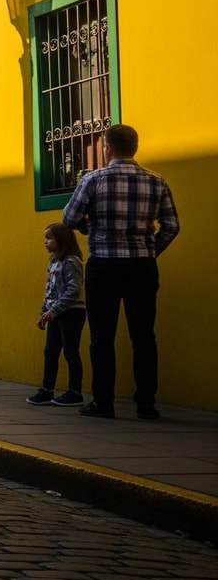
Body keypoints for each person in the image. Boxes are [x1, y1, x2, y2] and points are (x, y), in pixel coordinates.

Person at [61, 123, 179, 420]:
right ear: (135, 148)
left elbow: (69, 217)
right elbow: (172, 226)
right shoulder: (157, 181)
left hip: (104, 263)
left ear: (107, 148)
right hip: (142, 266)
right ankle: (146, 404)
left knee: (102, 336)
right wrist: (151, 250)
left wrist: (89, 230)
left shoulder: (93, 179)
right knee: (143, 336)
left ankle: (103, 403)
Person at [28, 224, 86, 407]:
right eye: (45, 238)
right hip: (54, 314)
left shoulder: (71, 262)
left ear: (62, 240)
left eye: (49, 238)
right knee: (50, 352)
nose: (45, 242)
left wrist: (54, 310)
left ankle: (75, 392)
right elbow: (50, 290)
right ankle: (47, 389)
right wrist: (43, 312)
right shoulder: (53, 261)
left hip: (72, 313)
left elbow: (73, 290)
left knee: (70, 351)